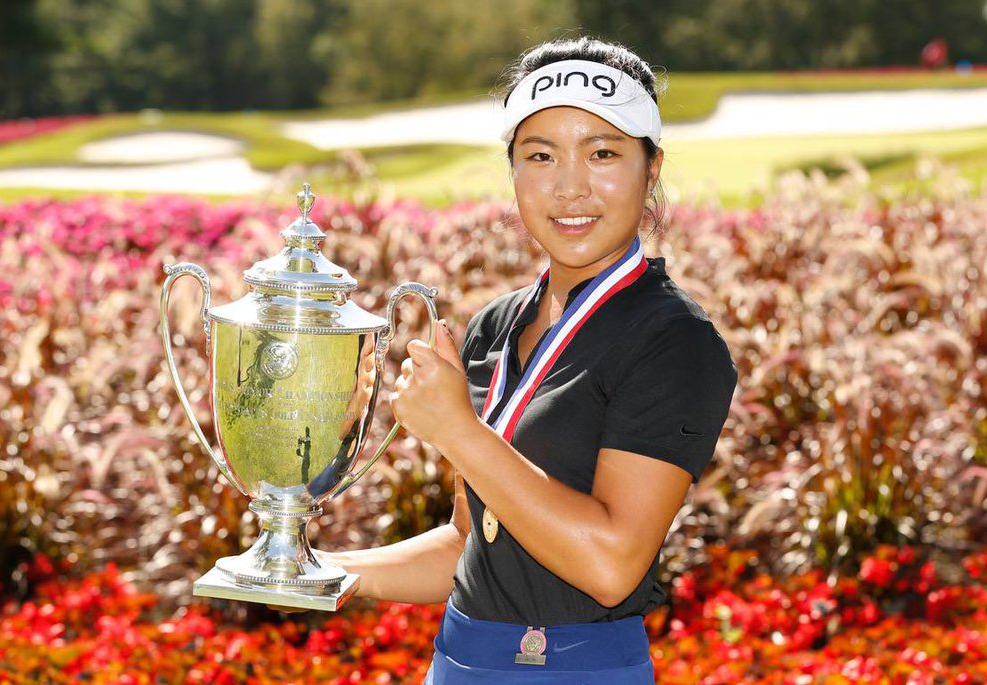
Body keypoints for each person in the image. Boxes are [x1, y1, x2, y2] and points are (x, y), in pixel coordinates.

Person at [316, 36, 738, 683]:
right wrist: (325, 570)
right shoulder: (492, 328)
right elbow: (469, 544)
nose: (570, 186)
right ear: (513, 171)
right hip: (458, 662)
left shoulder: (676, 342)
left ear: (650, 169)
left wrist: (457, 429)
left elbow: (611, 565)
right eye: (540, 155)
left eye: (602, 152)